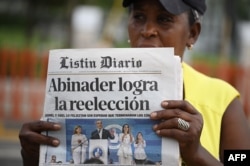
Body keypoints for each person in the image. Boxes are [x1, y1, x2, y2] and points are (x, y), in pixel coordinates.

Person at [18, 0, 250, 165]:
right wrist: (34, 157)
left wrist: (197, 155)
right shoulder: (89, 88)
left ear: (192, 33)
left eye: (164, 19)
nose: (147, 30)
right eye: (138, 17)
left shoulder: (222, 100)